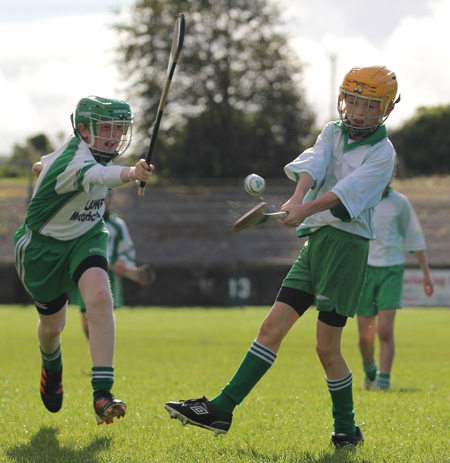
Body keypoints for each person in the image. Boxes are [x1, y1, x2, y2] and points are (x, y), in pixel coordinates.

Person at [165, 65, 400, 448]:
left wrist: (304, 211)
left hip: (347, 248)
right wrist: (295, 200)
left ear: (385, 109)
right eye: (353, 100)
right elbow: (314, 165)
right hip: (317, 243)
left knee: (326, 347)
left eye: (369, 105)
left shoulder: (382, 154)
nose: (358, 111)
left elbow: (346, 193)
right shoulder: (332, 131)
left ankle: (346, 429)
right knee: (270, 329)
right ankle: (222, 409)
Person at [14, 95, 153, 425]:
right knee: (53, 328)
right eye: (106, 128)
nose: (115, 136)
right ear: (83, 130)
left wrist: (43, 169)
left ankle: (102, 392)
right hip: (41, 250)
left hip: (86, 237)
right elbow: (100, 177)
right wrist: (133, 173)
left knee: (101, 297)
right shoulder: (77, 161)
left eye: (119, 129)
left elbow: (49, 164)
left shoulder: (89, 153)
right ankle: (51, 365)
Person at [356, 167, 434, 390]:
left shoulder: (401, 203)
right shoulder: (360, 197)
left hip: (391, 269)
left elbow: (414, 237)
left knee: (384, 330)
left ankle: (384, 381)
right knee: (365, 336)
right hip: (364, 271)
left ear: (394, 171)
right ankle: (370, 368)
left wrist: (426, 274)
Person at [71, 188, 155, 339]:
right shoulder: (83, 221)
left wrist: (123, 262)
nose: (103, 200)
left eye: (107, 197)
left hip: (109, 278)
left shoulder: (117, 225)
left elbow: (126, 248)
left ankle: (102, 360)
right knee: (87, 325)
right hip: (85, 274)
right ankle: (97, 355)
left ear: (111, 199)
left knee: (102, 321)